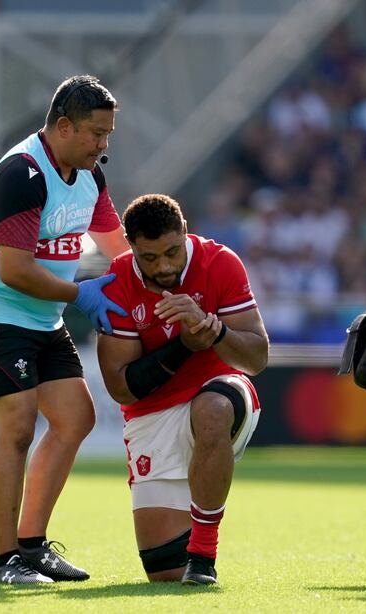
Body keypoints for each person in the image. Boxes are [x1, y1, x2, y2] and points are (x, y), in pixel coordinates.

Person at [0, 75, 130, 584]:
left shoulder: (91, 174)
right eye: (96, 133)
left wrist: (158, 287)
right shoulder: (23, 173)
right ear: (63, 126)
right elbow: (15, 270)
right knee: (18, 427)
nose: (102, 145)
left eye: (108, 135)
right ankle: (4, 561)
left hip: (39, 315)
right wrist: (82, 295)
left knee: (75, 418)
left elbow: (118, 249)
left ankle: (31, 547)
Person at [96, 193, 268, 585]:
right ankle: (194, 535)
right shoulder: (118, 278)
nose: (165, 267)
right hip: (152, 413)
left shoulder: (220, 262)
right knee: (166, 572)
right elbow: (122, 389)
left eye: (172, 252)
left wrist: (214, 330)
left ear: (185, 233)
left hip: (220, 393)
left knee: (211, 410)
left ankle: (205, 554)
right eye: (149, 258)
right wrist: (183, 345)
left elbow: (256, 358)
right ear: (132, 248)